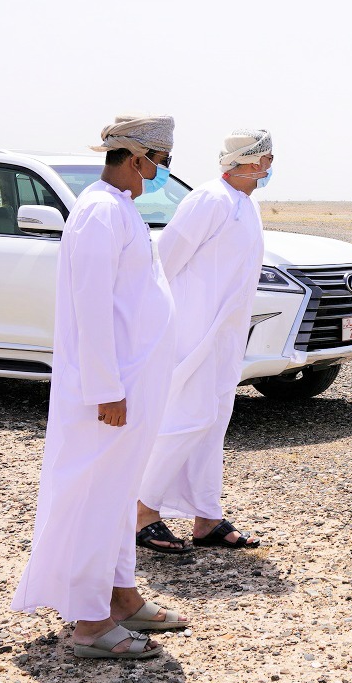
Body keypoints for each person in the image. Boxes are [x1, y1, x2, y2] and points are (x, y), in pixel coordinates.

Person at [11, 114, 188, 659]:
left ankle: (122, 598)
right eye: (161, 161)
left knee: (117, 493)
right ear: (138, 159)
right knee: (94, 496)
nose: (160, 172)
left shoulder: (121, 209)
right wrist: (105, 388)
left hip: (134, 384)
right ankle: (88, 623)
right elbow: (90, 310)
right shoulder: (96, 213)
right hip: (111, 392)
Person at [134, 129, 274, 554]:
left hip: (225, 335)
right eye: (267, 157)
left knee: (213, 420)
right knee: (186, 417)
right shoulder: (209, 199)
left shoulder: (245, 204)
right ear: (251, 161)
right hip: (193, 331)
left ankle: (206, 516)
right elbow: (166, 260)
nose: (270, 166)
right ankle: (142, 511)